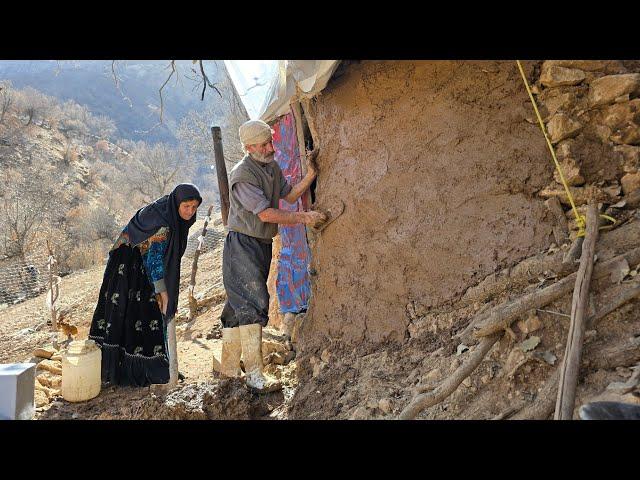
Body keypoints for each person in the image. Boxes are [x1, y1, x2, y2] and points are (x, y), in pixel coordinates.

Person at [218, 119, 326, 392]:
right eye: (264, 144)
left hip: (260, 242)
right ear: (249, 147)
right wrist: (305, 218)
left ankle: (229, 372)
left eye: (270, 142)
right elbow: (266, 213)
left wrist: (312, 174)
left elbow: (289, 196)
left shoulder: (270, 166)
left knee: (236, 306)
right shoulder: (243, 175)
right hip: (242, 244)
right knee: (253, 303)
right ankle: (254, 375)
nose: (270, 147)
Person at [89, 183, 202, 388]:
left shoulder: (172, 214)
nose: (190, 212)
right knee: (143, 312)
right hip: (131, 264)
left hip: (139, 259)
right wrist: (163, 291)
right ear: (177, 203)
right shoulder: (164, 223)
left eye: (194, 207)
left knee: (142, 313)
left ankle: (150, 365)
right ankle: (145, 369)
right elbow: (155, 260)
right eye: (186, 206)